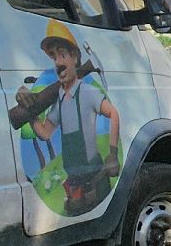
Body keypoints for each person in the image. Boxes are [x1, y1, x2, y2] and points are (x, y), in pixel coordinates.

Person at [21, 22, 120, 215]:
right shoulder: (59, 101)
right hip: (74, 185)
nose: (58, 62)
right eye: (55, 57)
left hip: (96, 179)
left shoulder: (88, 92)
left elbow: (113, 113)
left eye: (62, 55)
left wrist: (113, 153)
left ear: (74, 57)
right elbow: (45, 133)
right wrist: (29, 113)